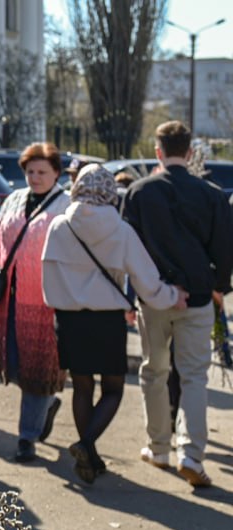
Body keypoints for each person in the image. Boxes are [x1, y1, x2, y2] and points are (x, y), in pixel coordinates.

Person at [42, 164, 186, 483]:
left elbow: (48, 278)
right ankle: (86, 447)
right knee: (113, 389)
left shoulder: (59, 226)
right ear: (110, 192)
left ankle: (89, 457)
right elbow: (146, 280)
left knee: (82, 388)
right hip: (107, 319)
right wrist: (171, 296)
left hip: (69, 319)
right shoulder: (121, 230)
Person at [123, 120, 233, 487]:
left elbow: (129, 251)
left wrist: (133, 295)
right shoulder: (212, 195)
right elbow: (225, 249)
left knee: (154, 371)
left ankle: (158, 448)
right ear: (189, 152)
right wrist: (219, 287)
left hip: (153, 297)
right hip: (198, 296)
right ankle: (191, 453)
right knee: (194, 377)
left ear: (158, 152)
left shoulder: (138, 193)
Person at [0, 142, 70, 463]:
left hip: (46, 302)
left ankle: (27, 437)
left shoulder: (66, 205)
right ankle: (46, 405)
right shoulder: (14, 199)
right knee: (13, 365)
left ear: (57, 173)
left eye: (42, 172)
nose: (35, 178)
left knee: (37, 372)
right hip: (9, 301)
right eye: (30, 172)